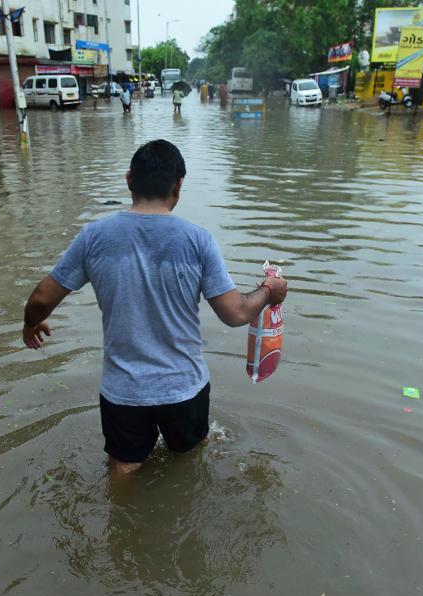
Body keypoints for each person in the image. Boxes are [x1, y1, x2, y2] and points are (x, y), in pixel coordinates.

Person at [22, 140, 288, 475]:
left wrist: (31, 324)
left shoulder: (94, 237)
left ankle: (123, 525)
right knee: (190, 464)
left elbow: (42, 300)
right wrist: (269, 290)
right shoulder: (197, 240)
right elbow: (235, 313)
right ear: (178, 186)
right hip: (184, 388)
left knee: (123, 469)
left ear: (129, 179)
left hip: (123, 393)